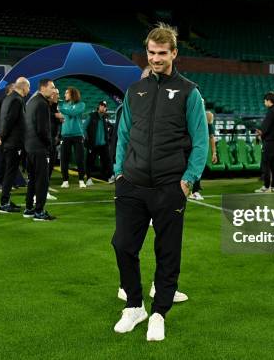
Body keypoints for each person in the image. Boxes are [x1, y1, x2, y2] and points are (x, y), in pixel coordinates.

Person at [112, 23, 208, 341]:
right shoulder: (135, 91)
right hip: (132, 184)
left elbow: (200, 141)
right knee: (123, 245)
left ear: (174, 53)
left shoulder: (189, 92)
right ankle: (135, 306)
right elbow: (124, 134)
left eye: (162, 53)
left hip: (170, 186)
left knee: (168, 252)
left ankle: (159, 312)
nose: (155, 58)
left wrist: (188, 180)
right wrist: (119, 171)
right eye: (151, 53)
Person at [24, 79, 56, 221]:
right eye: (52, 87)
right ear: (43, 88)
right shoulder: (42, 104)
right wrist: (49, 144)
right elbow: (42, 129)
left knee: (32, 180)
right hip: (39, 148)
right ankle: (39, 211)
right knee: (42, 181)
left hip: (29, 147)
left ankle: (29, 208)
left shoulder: (31, 102)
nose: (54, 90)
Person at [0, 77, 29, 214]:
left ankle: (6, 201)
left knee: (9, 172)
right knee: (10, 173)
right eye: (28, 87)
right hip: (13, 142)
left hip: (8, 142)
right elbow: (10, 120)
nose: (29, 90)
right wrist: (3, 136)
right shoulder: (17, 100)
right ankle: (4, 203)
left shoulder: (8, 98)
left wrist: (1, 136)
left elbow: (4, 120)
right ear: (23, 87)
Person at [255, 92, 274, 193]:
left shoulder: (271, 112)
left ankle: (266, 187)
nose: (264, 102)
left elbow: (264, 129)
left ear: (268, 101)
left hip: (269, 143)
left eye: (265, 101)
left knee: (266, 165)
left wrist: (258, 133)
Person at [59, 87, 86, 189]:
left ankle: (81, 180)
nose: (65, 94)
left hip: (77, 135)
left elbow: (73, 113)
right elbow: (67, 113)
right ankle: (65, 181)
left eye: (67, 93)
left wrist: (61, 109)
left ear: (72, 94)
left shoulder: (81, 104)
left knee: (80, 159)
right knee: (64, 159)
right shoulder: (64, 105)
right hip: (65, 135)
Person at [188, 110, 217, 200]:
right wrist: (214, 153)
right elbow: (211, 138)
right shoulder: (207, 123)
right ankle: (194, 191)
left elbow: (211, 137)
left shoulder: (201, 119)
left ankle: (195, 189)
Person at [84, 100, 113, 186]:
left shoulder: (105, 117)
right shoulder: (92, 116)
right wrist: (87, 139)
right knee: (90, 162)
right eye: (102, 105)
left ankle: (109, 177)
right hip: (93, 144)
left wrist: (109, 137)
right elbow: (84, 127)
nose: (103, 107)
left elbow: (110, 128)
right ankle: (89, 179)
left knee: (107, 161)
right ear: (98, 106)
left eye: (104, 106)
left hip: (103, 144)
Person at [0, 83, 15, 192]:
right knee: (4, 159)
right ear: (9, 90)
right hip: (4, 135)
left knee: (12, 160)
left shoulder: (17, 100)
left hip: (14, 136)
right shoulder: (1, 100)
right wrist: (3, 130)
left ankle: (9, 182)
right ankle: (0, 183)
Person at [46, 89, 63, 200]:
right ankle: (41, 191)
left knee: (51, 164)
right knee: (45, 166)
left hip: (52, 138)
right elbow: (44, 116)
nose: (58, 95)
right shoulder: (44, 103)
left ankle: (46, 186)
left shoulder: (55, 105)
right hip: (45, 139)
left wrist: (59, 119)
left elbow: (55, 120)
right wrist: (55, 116)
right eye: (56, 94)